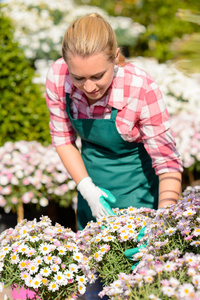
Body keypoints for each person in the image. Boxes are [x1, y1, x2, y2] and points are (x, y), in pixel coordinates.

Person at [46, 13, 183, 299]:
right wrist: (87, 189)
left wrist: (161, 228)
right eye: (79, 77)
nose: (89, 87)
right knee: (93, 289)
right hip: (94, 198)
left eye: (98, 76)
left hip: (141, 200)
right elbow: (62, 139)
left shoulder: (141, 88)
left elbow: (168, 164)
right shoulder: (58, 77)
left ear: (116, 58)